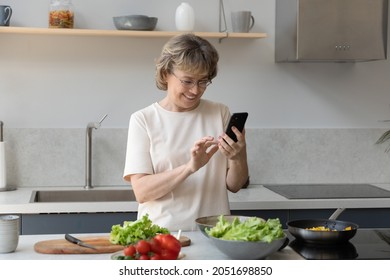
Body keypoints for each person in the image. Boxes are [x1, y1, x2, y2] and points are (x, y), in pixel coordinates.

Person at [123, 33, 249, 231]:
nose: (195, 91)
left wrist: (238, 157)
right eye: (187, 81)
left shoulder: (220, 112)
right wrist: (190, 167)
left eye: (203, 81)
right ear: (166, 74)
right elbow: (142, 191)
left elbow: (235, 185)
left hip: (215, 233)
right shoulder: (143, 119)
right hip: (162, 236)